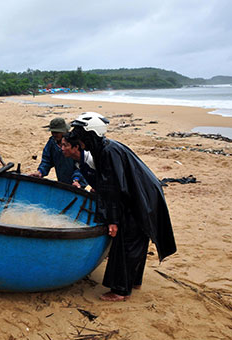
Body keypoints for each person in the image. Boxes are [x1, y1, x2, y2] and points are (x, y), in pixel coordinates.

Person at [70, 112, 176, 302]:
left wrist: (113, 220)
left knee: (127, 241)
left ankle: (120, 291)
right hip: (143, 193)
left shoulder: (108, 151)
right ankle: (134, 281)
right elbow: (110, 182)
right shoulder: (106, 148)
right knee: (137, 239)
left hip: (140, 197)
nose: (79, 141)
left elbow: (115, 188)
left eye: (80, 135)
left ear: (90, 134)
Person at [30, 118, 87, 188]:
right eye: (52, 132)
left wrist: (76, 180)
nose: (54, 134)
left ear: (64, 131)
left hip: (78, 182)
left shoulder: (74, 143)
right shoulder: (52, 143)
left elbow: (81, 165)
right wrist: (40, 172)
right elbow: (47, 160)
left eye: (57, 132)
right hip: (62, 179)